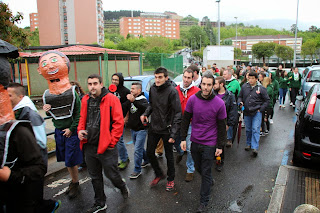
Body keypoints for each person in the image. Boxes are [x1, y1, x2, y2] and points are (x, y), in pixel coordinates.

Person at [0, 55, 60, 213]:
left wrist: (12, 174)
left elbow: (40, 143)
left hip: (27, 170)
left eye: (10, 95)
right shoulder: (13, 114)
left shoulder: (27, 116)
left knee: (33, 200)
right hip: (20, 175)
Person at [78, 74, 129, 213]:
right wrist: (80, 130)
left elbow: (118, 123)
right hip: (89, 144)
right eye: (90, 84)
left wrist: (112, 143)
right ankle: (100, 202)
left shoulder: (111, 99)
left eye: (95, 83)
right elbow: (82, 118)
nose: (92, 87)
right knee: (95, 177)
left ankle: (122, 186)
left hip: (107, 146)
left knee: (112, 175)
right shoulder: (85, 99)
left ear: (101, 84)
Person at [38, 51, 82, 199]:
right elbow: (55, 115)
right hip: (59, 131)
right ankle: (74, 180)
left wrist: (71, 129)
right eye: (44, 63)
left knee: (71, 160)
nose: (49, 66)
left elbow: (78, 114)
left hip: (71, 131)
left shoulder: (73, 93)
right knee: (66, 160)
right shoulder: (47, 95)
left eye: (53, 61)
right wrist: (48, 110)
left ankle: (75, 182)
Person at [180, 71, 227, 212]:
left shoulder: (219, 103)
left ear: (213, 86)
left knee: (205, 171)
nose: (206, 87)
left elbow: (222, 126)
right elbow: (185, 119)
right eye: (204, 84)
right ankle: (209, 179)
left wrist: (220, 146)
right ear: (201, 84)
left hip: (210, 143)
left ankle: (203, 201)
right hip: (195, 140)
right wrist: (183, 138)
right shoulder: (193, 100)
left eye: (209, 85)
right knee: (199, 168)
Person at [140, 67, 182, 192]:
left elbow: (178, 113)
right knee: (149, 152)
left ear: (166, 78)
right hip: (154, 126)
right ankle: (159, 174)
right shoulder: (152, 88)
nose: (157, 80)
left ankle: (170, 179)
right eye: (156, 77)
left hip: (167, 129)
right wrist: (146, 114)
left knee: (169, 156)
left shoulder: (172, 92)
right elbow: (151, 105)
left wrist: (173, 134)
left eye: (160, 77)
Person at [7, 83, 48, 164]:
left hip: (32, 165)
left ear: (20, 97)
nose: (7, 98)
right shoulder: (15, 113)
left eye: (10, 96)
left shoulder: (31, 116)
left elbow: (41, 143)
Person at [175, 69, 200, 182]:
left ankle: (190, 169)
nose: (186, 80)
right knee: (176, 144)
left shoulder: (197, 91)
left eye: (189, 78)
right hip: (177, 123)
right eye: (184, 77)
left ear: (192, 78)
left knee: (189, 148)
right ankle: (180, 153)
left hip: (190, 123)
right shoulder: (175, 90)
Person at [238, 71, 269, 157]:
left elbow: (267, 100)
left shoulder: (261, 88)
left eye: (252, 78)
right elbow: (240, 96)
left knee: (255, 129)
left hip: (257, 112)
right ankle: (248, 143)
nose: (251, 80)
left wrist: (261, 109)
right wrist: (240, 102)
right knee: (248, 129)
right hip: (247, 111)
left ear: (256, 79)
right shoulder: (244, 87)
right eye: (249, 78)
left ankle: (255, 147)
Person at [213, 76, 237, 171]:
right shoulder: (212, 94)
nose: (214, 86)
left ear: (221, 84)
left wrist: (228, 124)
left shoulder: (230, 96)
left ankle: (220, 162)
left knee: (220, 143)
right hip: (212, 123)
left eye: (215, 84)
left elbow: (232, 111)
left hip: (223, 123)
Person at [126, 82, 149, 179]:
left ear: (139, 90)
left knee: (137, 150)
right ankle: (147, 159)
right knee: (138, 148)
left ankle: (137, 170)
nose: (131, 90)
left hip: (141, 130)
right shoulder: (131, 99)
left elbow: (145, 107)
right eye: (131, 88)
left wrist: (134, 101)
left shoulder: (143, 100)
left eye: (133, 89)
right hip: (133, 129)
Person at [111, 73, 131, 170]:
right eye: (113, 79)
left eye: (116, 80)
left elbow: (128, 105)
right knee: (114, 141)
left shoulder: (125, 91)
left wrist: (126, 117)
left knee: (119, 141)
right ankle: (124, 157)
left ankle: (124, 159)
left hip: (120, 119)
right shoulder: (109, 90)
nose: (114, 81)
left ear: (120, 81)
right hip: (111, 119)